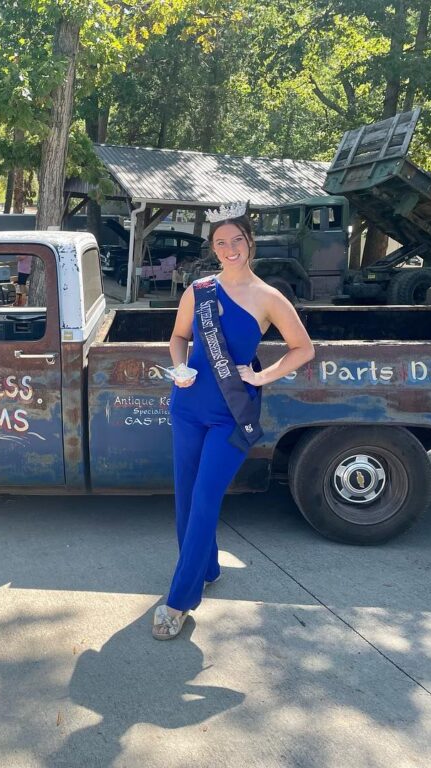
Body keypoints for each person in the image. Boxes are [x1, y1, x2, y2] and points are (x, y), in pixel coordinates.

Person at [153, 202, 315, 641]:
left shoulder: (269, 298)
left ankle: (179, 600)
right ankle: (206, 568)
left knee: (206, 499)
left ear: (250, 242)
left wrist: (262, 375)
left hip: (231, 413)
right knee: (186, 498)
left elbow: (303, 349)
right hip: (188, 407)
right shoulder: (199, 290)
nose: (229, 249)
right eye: (220, 242)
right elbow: (179, 336)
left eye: (236, 240)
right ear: (213, 247)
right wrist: (179, 366)